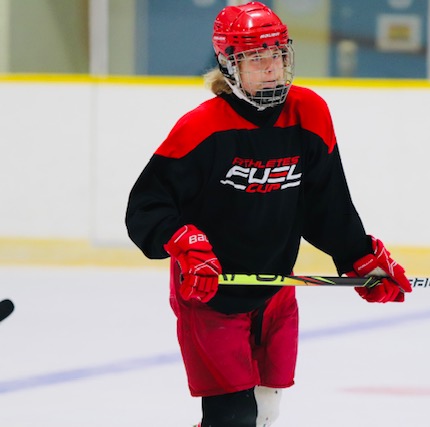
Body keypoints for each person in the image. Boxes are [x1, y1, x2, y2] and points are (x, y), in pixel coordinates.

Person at [125, 2, 412, 426]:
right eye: (256, 57)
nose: (272, 67)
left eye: (277, 53)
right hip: (213, 294)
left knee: (265, 413)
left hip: (276, 290)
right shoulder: (201, 128)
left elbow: (325, 203)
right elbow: (146, 206)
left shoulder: (308, 113)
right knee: (234, 416)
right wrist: (184, 242)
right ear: (229, 65)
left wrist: (359, 255)